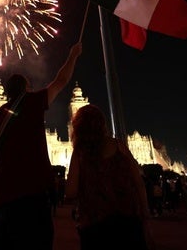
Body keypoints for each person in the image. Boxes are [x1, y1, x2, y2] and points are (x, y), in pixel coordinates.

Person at [0, 41, 82, 250]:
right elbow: (60, 81)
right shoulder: (31, 103)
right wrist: (73, 55)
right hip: (31, 198)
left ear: (7, 93)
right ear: (26, 90)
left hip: (0, 200)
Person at [64, 104, 154, 250]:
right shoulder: (119, 146)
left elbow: (70, 192)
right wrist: (145, 216)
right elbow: (139, 182)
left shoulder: (80, 152)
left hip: (95, 225)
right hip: (128, 222)